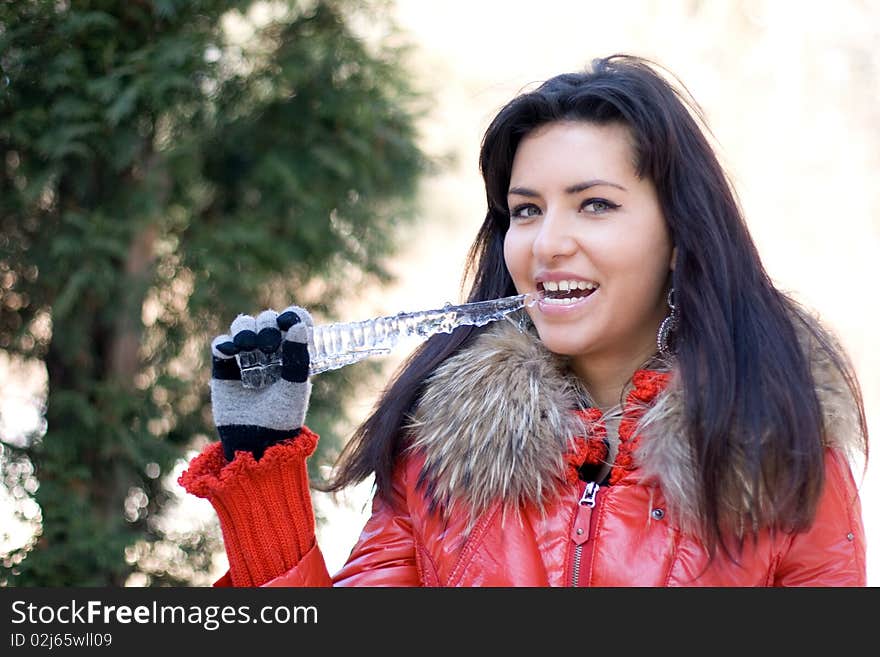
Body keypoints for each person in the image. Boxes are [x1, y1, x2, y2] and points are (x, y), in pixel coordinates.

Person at [179, 54, 868, 586]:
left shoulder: (782, 458)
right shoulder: (440, 455)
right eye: (527, 209)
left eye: (594, 204)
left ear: (679, 232)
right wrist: (259, 463)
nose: (545, 243)